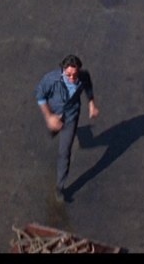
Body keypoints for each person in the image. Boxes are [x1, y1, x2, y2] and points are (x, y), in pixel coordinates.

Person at [35, 54, 99, 202]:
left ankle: (60, 187)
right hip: (54, 112)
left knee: (64, 152)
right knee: (54, 129)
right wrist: (49, 117)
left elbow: (88, 85)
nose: (72, 78)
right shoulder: (51, 79)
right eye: (68, 75)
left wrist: (91, 103)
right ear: (62, 70)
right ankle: (57, 129)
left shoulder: (82, 76)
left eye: (75, 75)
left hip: (71, 116)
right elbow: (40, 95)